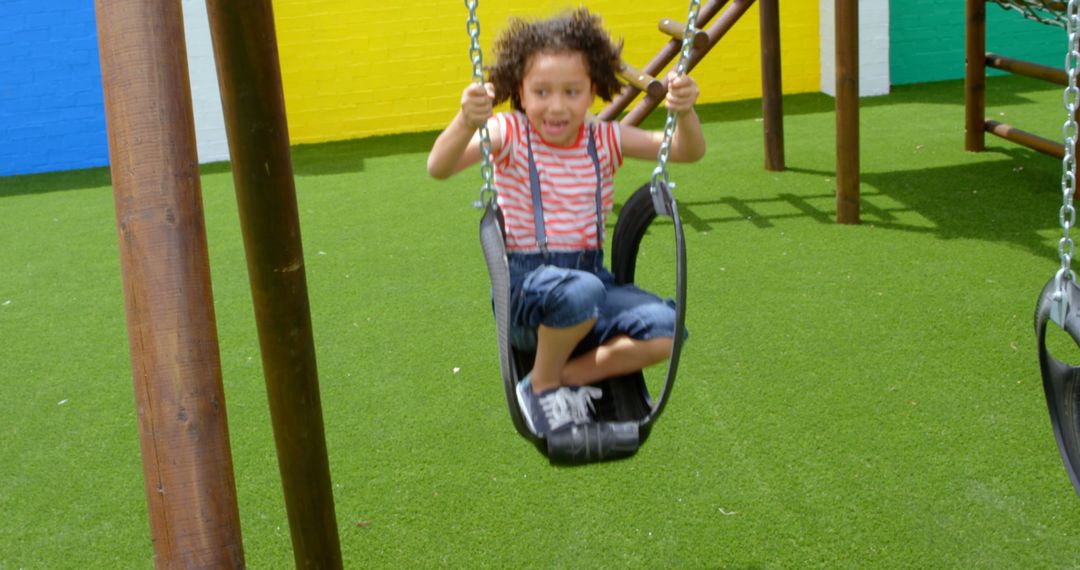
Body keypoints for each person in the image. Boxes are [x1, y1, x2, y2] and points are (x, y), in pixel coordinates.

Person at [427, 7, 705, 436]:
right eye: (541, 92)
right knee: (579, 292)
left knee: (669, 330)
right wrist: (467, 121)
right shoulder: (509, 133)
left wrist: (684, 113)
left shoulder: (605, 138)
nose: (556, 106)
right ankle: (540, 386)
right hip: (527, 299)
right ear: (520, 89)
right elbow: (439, 166)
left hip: (593, 287)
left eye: (572, 92)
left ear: (594, 88)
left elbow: (688, 152)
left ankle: (566, 377)